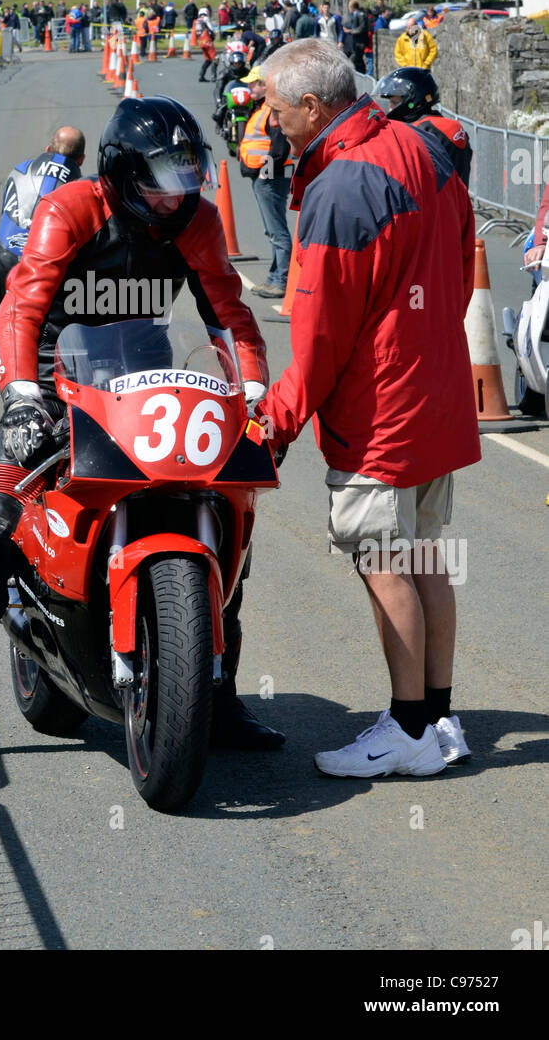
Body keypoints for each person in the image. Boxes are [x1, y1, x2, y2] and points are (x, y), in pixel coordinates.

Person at [0, 96, 282, 765]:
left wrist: (250, 388)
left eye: (188, 172)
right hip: (53, 386)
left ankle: (213, 700)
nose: (178, 192)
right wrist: (20, 395)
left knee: (226, 511)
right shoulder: (71, 209)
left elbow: (229, 311)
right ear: (120, 173)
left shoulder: (193, 220)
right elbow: (18, 311)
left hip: (150, 384)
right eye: (163, 176)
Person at [252, 40, 480, 777]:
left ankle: (408, 731)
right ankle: (439, 720)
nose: (267, 119)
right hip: (436, 389)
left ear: (313, 107)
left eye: (274, 107)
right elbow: (456, 253)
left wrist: (274, 422)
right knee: (423, 557)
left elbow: (320, 336)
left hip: (382, 407)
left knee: (385, 562)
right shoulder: (423, 147)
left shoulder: (341, 186)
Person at [0, 128, 87, 443]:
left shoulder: (21, 168)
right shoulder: (82, 187)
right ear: (81, 158)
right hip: (45, 265)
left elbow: (6, 214)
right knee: (44, 340)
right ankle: (44, 416)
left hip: (2, 257)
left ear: (46, 146)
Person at [238, 66, 293, 298]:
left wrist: (265, 174)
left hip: (270, 177)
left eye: (254, 84)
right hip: (266, 176)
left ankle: (281, 281)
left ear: (265, 85)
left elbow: (280, 148)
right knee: (271, 230)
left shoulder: (272, 110)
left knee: (276, 230)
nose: (249, 88)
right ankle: (274, 278)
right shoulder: (262, 108)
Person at [374, 67, 472, 186]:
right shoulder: (444, 126)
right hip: (456, 201)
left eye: (394, 103)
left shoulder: (422, 131)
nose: (390, 109)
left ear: (412, 101)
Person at [195, 7, 218, 82]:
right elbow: (211, 29)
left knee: (208, 59)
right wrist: (215, 34)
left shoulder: (196, 21)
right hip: (207, 40)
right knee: (215, 58)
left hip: (200, 41)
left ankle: (201, 76)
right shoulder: (205, 19)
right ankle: (213, 76)